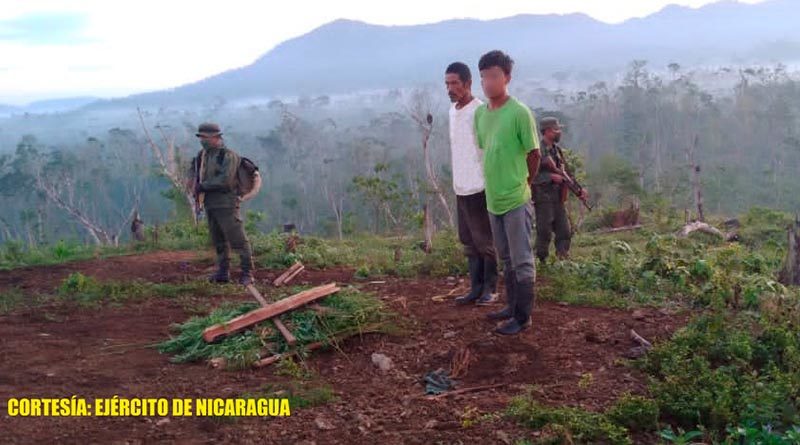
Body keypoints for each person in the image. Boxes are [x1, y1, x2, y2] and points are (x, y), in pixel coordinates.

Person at [473, 50, 541, 335]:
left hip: (515, 198)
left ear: (507, 78)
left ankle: (523, 317)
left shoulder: (519, 113)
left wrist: (524, 182)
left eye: (493, 76)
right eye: (483, 77)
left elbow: (534, 154)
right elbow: (486, 150)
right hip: (493, 199)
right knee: (506, 257)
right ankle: (511, 307)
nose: (488, 83)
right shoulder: (480, 114)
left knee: (522, 258)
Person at [445, 61, 498, 306]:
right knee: (468, 241)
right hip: (461, 186)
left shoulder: (480, 110)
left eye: (455, 83)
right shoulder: (452, 111)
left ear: (468, 83)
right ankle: (475, 288)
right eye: (447, 83)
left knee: (485, 242)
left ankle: (490, 289)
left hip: (480, 185)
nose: (450, 88)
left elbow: (490, 147)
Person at [191, 122, 257, 285]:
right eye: (201, 137)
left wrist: (203, 186)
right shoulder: (203, 156)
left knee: (238, 240)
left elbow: (225, 180)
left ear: (216, 137)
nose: (202, 141)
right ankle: (223, 272)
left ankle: (247, 273)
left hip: (226, 203)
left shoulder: (227, 156)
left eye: (205, 137)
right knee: (218, 240)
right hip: (210, 203)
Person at [532, 117, 588, 262]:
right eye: (556, 130)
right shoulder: (537, 151)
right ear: (548, 131)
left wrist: (579, 191)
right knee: (544, 232)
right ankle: (541, 261)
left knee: (564, 231)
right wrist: (549, 177)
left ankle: (562, 261)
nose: (559, 132)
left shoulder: (557, 151)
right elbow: (530, 175)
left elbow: (566, 174)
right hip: (542, 197)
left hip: (557, 198)